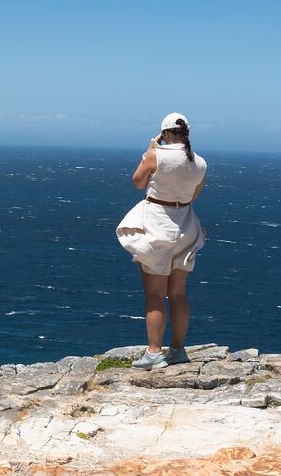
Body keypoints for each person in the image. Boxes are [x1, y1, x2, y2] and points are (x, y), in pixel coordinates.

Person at [115, 112, 207, 369]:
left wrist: (150, 150)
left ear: (165, 133)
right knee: (178, 293)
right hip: (186, 224)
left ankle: (154, 352)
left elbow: (137, 182)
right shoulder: (200, 162)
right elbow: (193, 195)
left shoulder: (155, 155)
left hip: (158, 224)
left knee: (155, 293)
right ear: (187, 133)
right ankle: (177, 350)